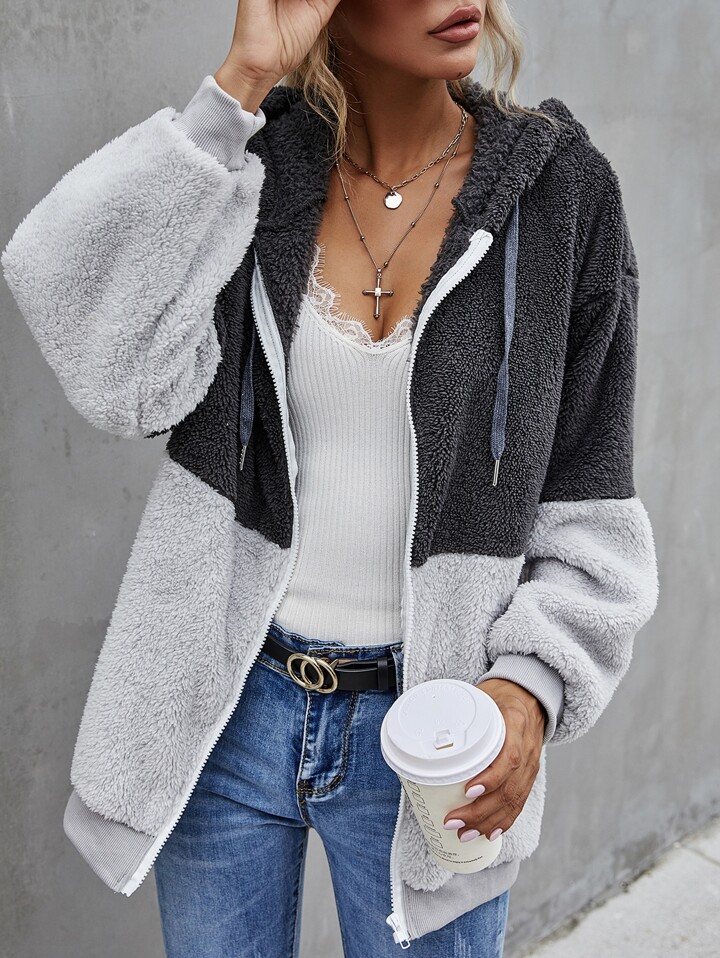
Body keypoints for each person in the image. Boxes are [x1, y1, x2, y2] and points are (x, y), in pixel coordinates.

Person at [1, 0, 659, 955]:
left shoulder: (562, 197)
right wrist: (235, 91)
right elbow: (112, 366)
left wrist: (530, 685)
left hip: (434, 734)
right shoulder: (254, 167)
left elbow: (591, 501)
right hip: (228, 711)